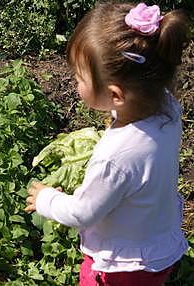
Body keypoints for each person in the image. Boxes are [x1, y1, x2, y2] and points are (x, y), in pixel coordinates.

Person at [24, 2, 190, 285]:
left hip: (122, 268)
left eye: (79, 77)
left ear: (116, 95)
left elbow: (83, 212)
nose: (75, 82)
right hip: (158, 244)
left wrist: (47, 200)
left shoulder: (116, 158)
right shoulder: (168, 109)